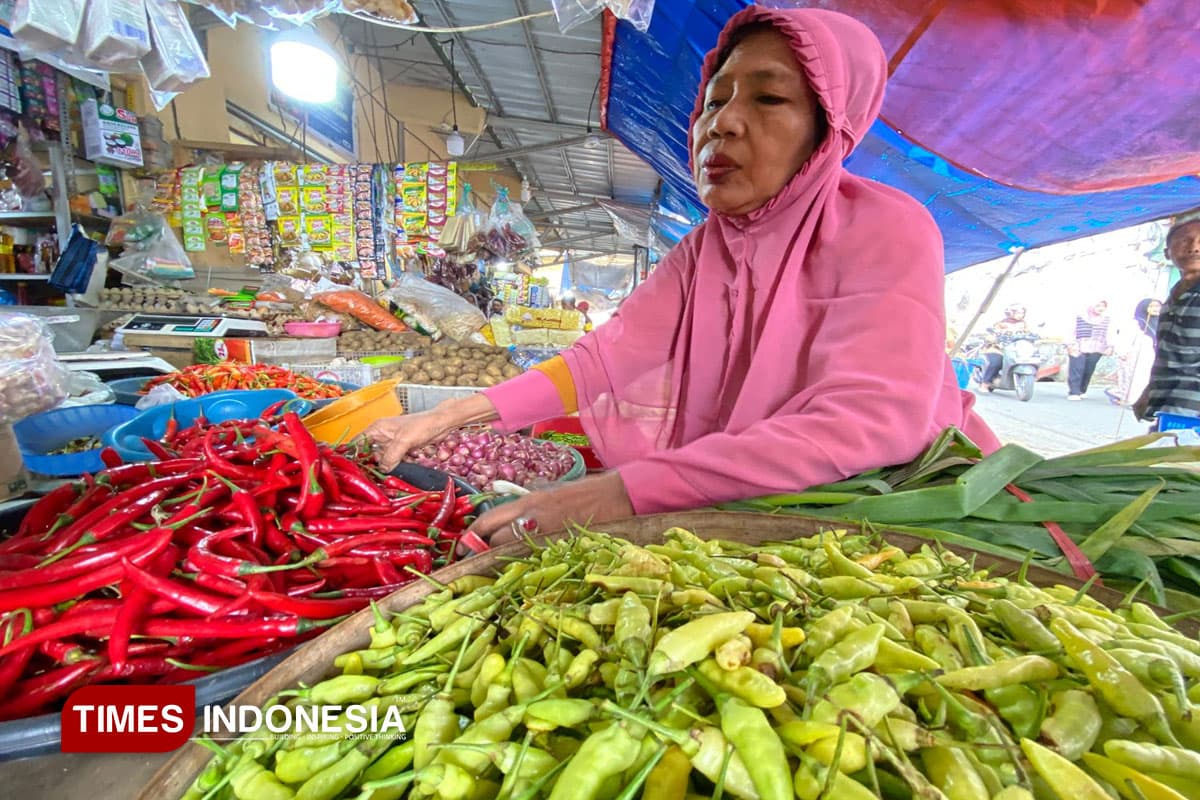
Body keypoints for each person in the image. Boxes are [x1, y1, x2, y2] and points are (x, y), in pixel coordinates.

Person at [366, 7, 999, 542]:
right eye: (714, 100)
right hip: (755, 507)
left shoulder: (884, 226)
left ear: (828, 127)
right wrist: (449, 416)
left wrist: (616, 493)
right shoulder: (705, 249)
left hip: (898, 514)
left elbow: (868, 422)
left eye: (769, 98)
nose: (720, 123)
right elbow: (603, 360)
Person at [1135, 219, 1200, 423]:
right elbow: (1167, 354)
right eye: (1185, 240)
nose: (1194, 247)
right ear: (1167, 253)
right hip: (1167, 406)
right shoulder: (1172, 297)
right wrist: (1149, 392)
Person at [1109, 298, 1161, 406]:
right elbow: (1125, 338)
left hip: (1154, 355)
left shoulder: (1161, 322)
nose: (1156, 309)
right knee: (1134, 379)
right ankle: (1130, 400)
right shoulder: (1136, 323)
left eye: (1158, 306)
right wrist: (1123, 352)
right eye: (1152, 306)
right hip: (1136, 355)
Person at [977, 304, 1030, 392]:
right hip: (998, 349)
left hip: (1016, 349)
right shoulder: (1001, 323)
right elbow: (992, 333)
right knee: (996, 362)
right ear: (1011, 313)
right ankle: (985, 383)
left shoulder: (1024, 324)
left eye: (1022, 313)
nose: (1021, 315)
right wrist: (993, 337)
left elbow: (1030, 333)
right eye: (1018, 312)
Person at [1067, 300, 1113, 399]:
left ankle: (1082, 390)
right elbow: (1070, 330)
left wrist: (1110, 346)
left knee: (1088, 370)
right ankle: (1074, 392)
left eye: (1103, 306)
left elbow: (1110, 333)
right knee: (1077, 368)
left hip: (1097, 348)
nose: (1101, 308)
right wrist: (1070, 344)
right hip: (1078, 346)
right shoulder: (1079, 317)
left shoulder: (1106, 319)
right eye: (1098, 306)